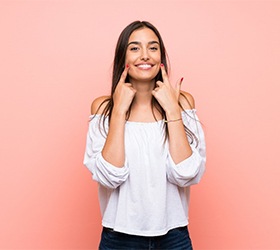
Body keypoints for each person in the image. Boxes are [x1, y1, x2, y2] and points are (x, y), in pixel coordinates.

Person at [83, 20, 206, 250]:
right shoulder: (103, 108)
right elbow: (110, 176)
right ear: (124, 58)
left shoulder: (182, 103)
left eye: (152, 47)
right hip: (118, 237)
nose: (145, 55)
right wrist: (119, 110)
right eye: (134, 48)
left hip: (174, 236)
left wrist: (171, 109)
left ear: (161, 57)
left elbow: (187, 173)